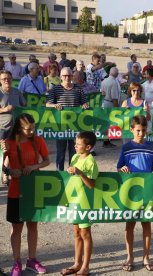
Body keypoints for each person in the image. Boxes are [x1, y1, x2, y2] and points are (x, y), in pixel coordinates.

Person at [117, 115, 153, 272]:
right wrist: (122, 169)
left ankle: (146, 257)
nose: (141, 133)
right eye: (138, 130)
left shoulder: (151, 147)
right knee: (129, 225)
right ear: (131, 130)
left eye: (144, 130)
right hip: (131, 192)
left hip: (147, 191)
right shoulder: (126, 148)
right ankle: (129, 257)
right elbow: (119, 167)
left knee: (146, 224)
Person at [3, 113, 50, 276]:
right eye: (28, 129)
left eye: (33, 128)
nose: (32, 131)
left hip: (33, 189)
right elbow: (3, 166)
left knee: (32, 225)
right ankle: (16, 262)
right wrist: (9, 171)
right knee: (16, 228)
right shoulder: (8, 143)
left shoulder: (38, 141)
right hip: (15, 191)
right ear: (19, 128)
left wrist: (34, 166)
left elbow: (47, 160)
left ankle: (32, 260)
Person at [60, 131, 99, 276]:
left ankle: (86, 266)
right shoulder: (75, 157)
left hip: (85, 203)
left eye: (78, 144)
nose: (75, 146)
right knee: (76, 232)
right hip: (74, 201)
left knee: (85, 233)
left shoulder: (91, 161)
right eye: (75, 144)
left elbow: (91, 185)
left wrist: (80, 172)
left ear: (88, 147)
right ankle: (77, 263)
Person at [46, 67, 88, 170]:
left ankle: (72, 171)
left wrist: (85, 105)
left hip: (75, 127)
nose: (67, 78)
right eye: (64, 75)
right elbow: (47, 104)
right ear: (60, 77)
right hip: (61, 127)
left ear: (72, 76)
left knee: (74, 152)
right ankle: (59, 173)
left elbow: (84, 102)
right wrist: (54, 105)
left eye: (69, 75)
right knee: (60, 152)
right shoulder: (55, 89)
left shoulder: (78, 89)